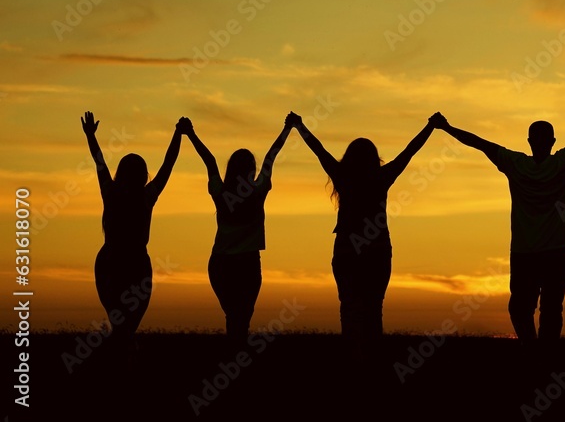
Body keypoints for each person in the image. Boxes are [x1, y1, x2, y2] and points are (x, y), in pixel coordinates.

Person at [434, 83, 565, 346]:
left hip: (526, 251)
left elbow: (480, 143)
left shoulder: (516, 163)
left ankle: (534, 349)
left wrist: (447, 128)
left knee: (524, 309)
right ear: (552, 142)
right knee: (550, 308)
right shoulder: (561, 161)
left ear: (530, 141)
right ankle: (542, 354)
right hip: (553, 250)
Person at [287, 111, 440, 357]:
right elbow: (409, 152)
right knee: (373, 308)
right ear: (373, 159)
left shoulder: (343, 176)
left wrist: (300, 126)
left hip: (348, 248)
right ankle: (372, 357)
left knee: (348, 306)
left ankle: (352, 355)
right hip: (377, 249)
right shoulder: (381, 177)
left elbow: (319, 150)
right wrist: (430, 127)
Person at [180, 115, 293, 348]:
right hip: (247, 264)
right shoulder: (257, 189)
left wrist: (190, 134)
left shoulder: (221, 191)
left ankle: (232, 357)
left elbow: (209, 160)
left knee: (234, 317)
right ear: (251, 169)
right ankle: (235, 358)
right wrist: (287, 128)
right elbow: (271, 155)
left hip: (221, 264)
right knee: (241, 319)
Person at [81, 111, 183, 358]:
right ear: (142, 174)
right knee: (126, 327)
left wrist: (91, 136)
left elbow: (99, 162)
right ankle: (124, 360)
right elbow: (168, 165)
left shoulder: (111, 192)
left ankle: (119, 360)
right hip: (133, 263)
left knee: (121, 326)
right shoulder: (146, 196)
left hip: (111, 262)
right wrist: (178, 134)